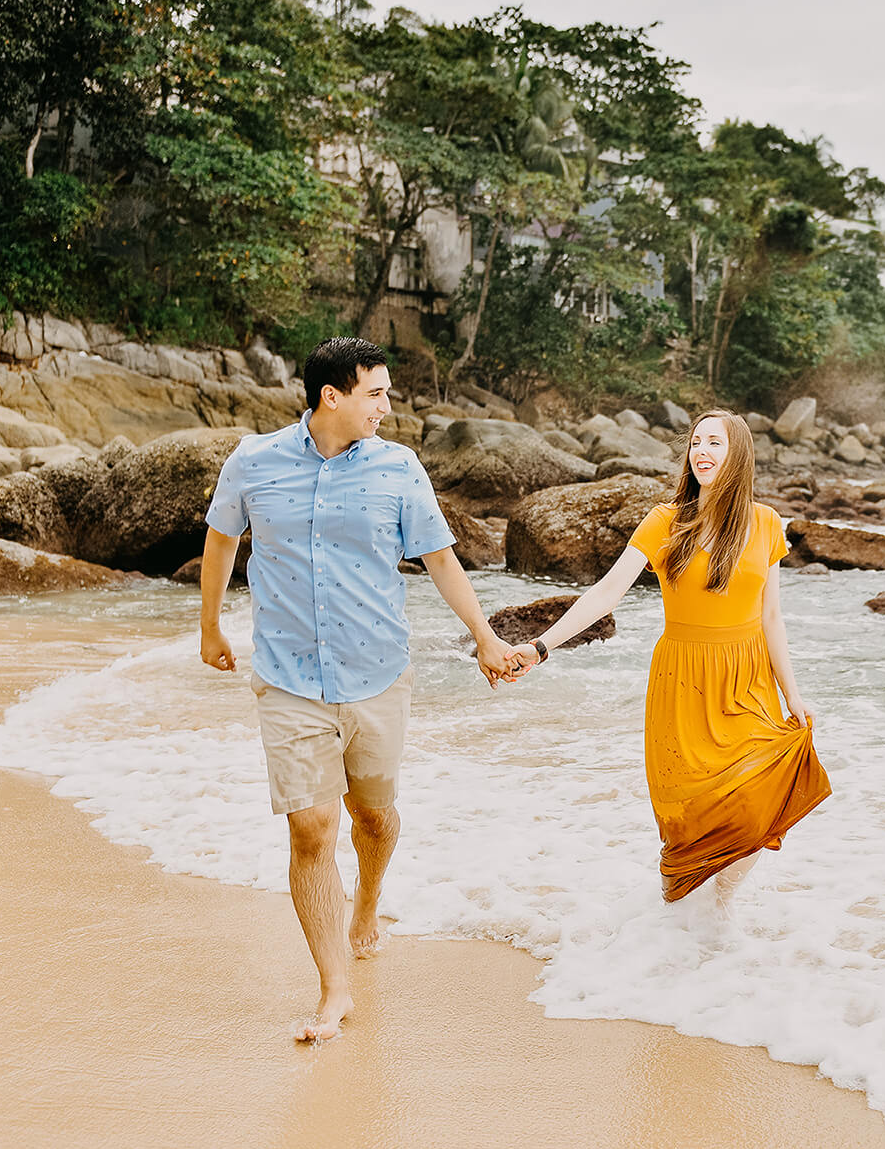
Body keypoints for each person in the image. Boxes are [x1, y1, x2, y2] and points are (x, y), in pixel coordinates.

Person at [197, 336, 521, 1042]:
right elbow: (223, 541)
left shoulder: (399, 469)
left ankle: (368, 901)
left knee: (372, 818)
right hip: (287, 676)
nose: (387, 405)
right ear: (330, 397)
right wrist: (211, 627)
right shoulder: (253, 463)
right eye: (376, 392)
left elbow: (440, 560)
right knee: (312, 828)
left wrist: (486, 639)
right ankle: (334, 987)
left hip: (377, 674)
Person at [507, 410, 830, 917]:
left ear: (738, 453)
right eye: (696, 441)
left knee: (753, 804)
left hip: (749, 677)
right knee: (688, 814)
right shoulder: (665, 521)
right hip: (685, 679)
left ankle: (720, 914)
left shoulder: (766, 522)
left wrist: (793, 693)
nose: (701, 450)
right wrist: (541, 646)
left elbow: (772, 618)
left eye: (714, 442)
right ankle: (670, 930)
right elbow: (607, 593)